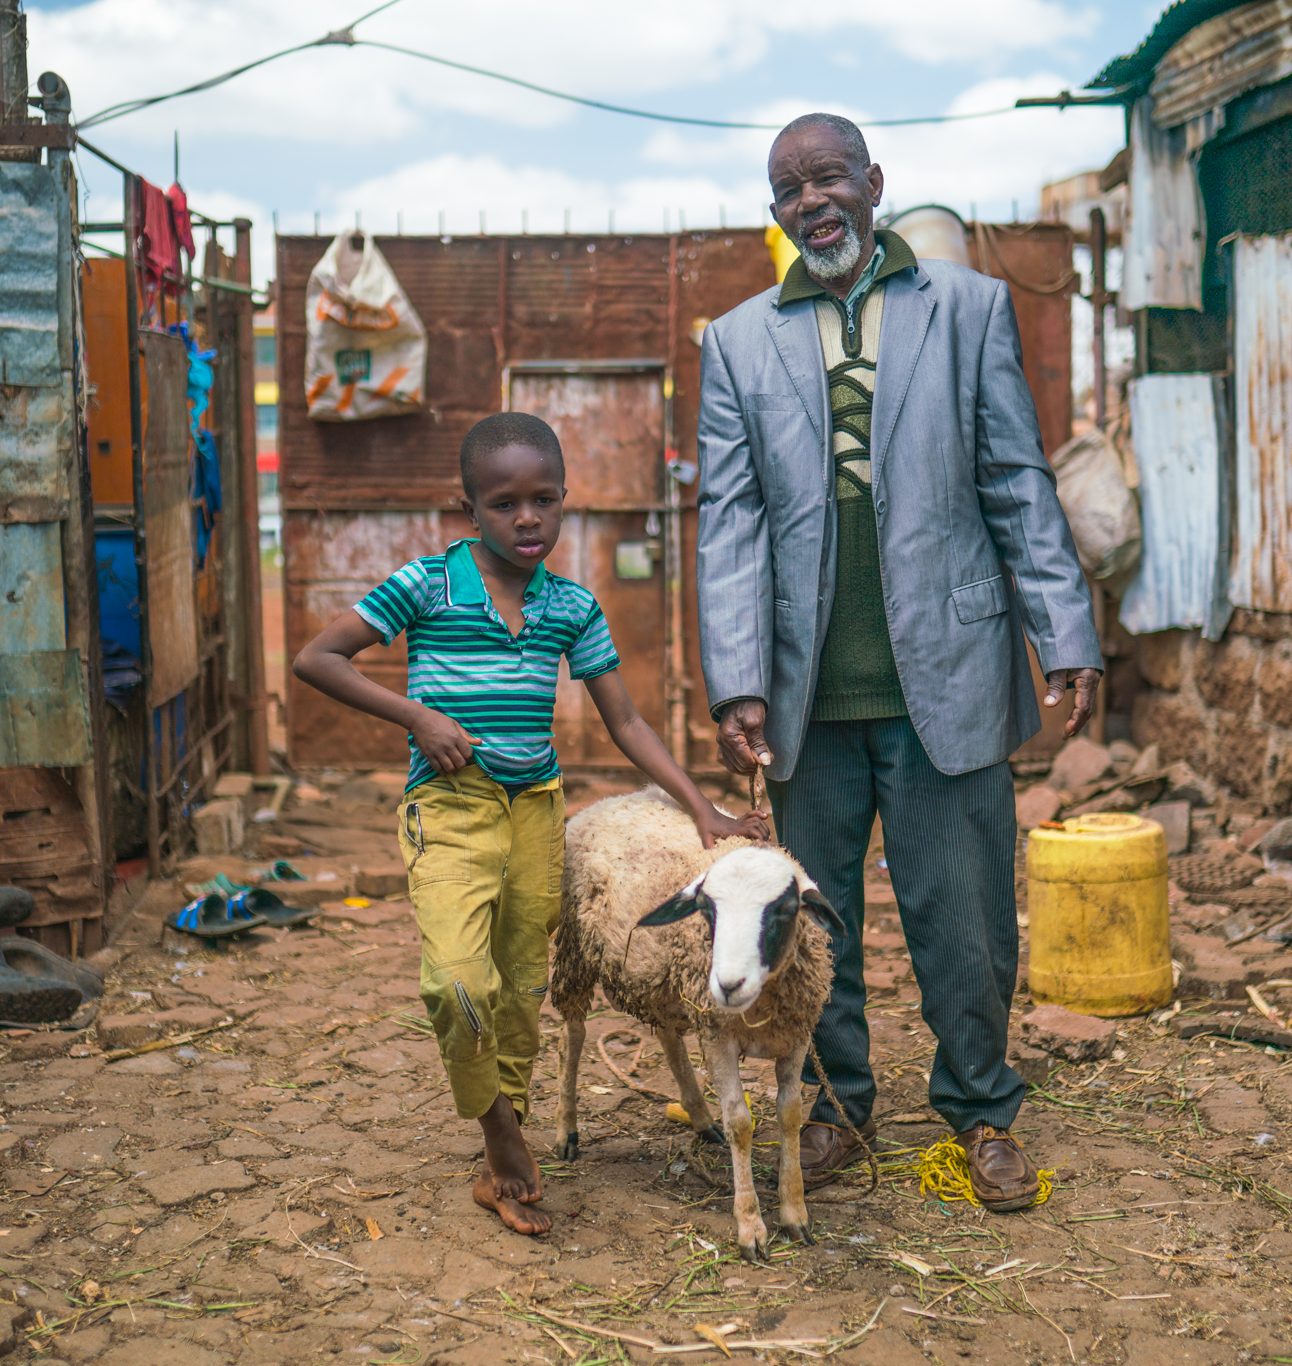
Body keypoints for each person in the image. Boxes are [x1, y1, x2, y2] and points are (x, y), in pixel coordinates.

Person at [695, 113, 1102, 1211]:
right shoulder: (735, 341)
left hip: (954, 671)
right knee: (811, 926)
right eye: (787, 188)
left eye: (828, 178)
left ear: (871, 183)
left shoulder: (966, 308)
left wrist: (1062, 631)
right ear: (773, 211)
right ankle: (833, 1108)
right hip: (806, 694)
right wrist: (735, 676)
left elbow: (1015, 479)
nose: (810, 201)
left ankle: (980, 1108)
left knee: (960, 914)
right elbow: (726, 521)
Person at [294, 412, 767, 1237]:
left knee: (520, 987)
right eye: (505, 503)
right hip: (450, 807)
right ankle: (498, 1128)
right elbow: (317, 659)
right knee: (454, 983)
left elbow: (626, 724)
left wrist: (703, 810)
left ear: (564, 503)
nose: (528, 520)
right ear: (468, 507)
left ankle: (499, 1150)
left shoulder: (570, 606)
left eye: (544, 501)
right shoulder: (428, 586)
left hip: (537, 814)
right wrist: (418, 718)